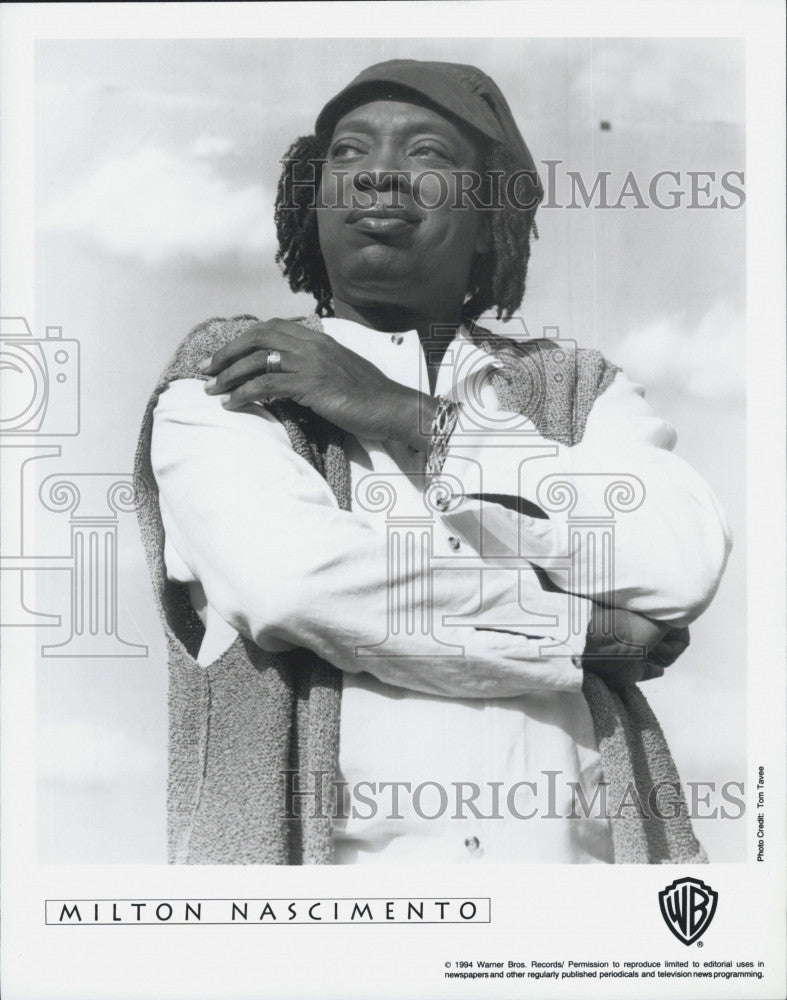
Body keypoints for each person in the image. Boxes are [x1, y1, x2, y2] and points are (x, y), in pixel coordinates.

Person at [135, 59, 731, 865]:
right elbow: (295, 584)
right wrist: (574, 631)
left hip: (573, 903)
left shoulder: (577, 389)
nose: (380, 175)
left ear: (491, 214)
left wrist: (411, 416)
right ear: (312, 204)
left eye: (427, 155)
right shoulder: (234, 373)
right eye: (348, 153)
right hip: (326, 907)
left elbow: (675, 564)